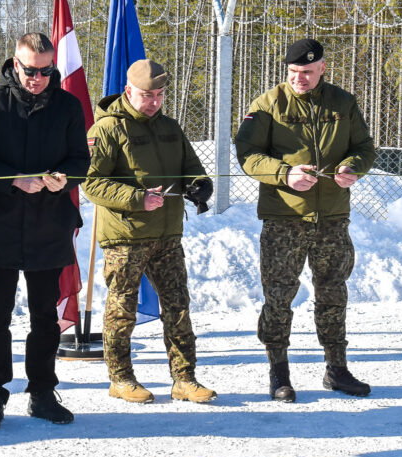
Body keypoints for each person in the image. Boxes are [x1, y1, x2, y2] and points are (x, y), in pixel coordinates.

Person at [234, 38, 376, 402]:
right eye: (294, 72)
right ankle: (278, 372)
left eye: (308, 72)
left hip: (332, 218)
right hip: (285, 218)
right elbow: (248, 154)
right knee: (279, 295)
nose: (300, 78)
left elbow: (364, 147)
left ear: (323, 68)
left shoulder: (343, 103)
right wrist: (285, 174)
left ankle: (337, 369)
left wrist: (352, 168)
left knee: (333, 293)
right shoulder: (268, 105)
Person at [0, 32, 89, 430]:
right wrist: (14, 180)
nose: (37, 79)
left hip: (49, 224)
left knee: (44, 318)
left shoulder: (67, 105)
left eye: (46, 71)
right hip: (0, 223)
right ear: (14, 65)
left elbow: (80, 160)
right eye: (30, 71)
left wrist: (63, 179)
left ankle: (42, 392)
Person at [83, 59, 216, 404]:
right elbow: (92, 183)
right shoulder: (107, 129)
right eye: (146, 95)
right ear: (128, 91)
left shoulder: (170, 127)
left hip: (167, 234)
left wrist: (199, 184)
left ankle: (184, 379)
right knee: (122, 308)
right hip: (126, 237)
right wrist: (137, 199)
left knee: (178, 306)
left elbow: (191, 167)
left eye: (159, 95)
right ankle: (121, 378)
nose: (154, 102)